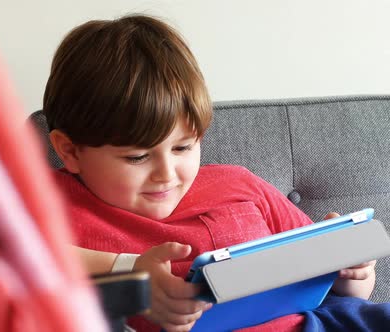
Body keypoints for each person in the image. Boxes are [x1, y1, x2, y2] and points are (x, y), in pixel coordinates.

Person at [42, 15, 383, 332]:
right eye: (137, 157)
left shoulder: (237, 184)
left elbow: (350, 293)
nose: (166, 173)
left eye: (183, 148)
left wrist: (352, 270)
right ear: (70, 151)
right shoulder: (51, 204)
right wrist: (130, 273)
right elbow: (6, 263)